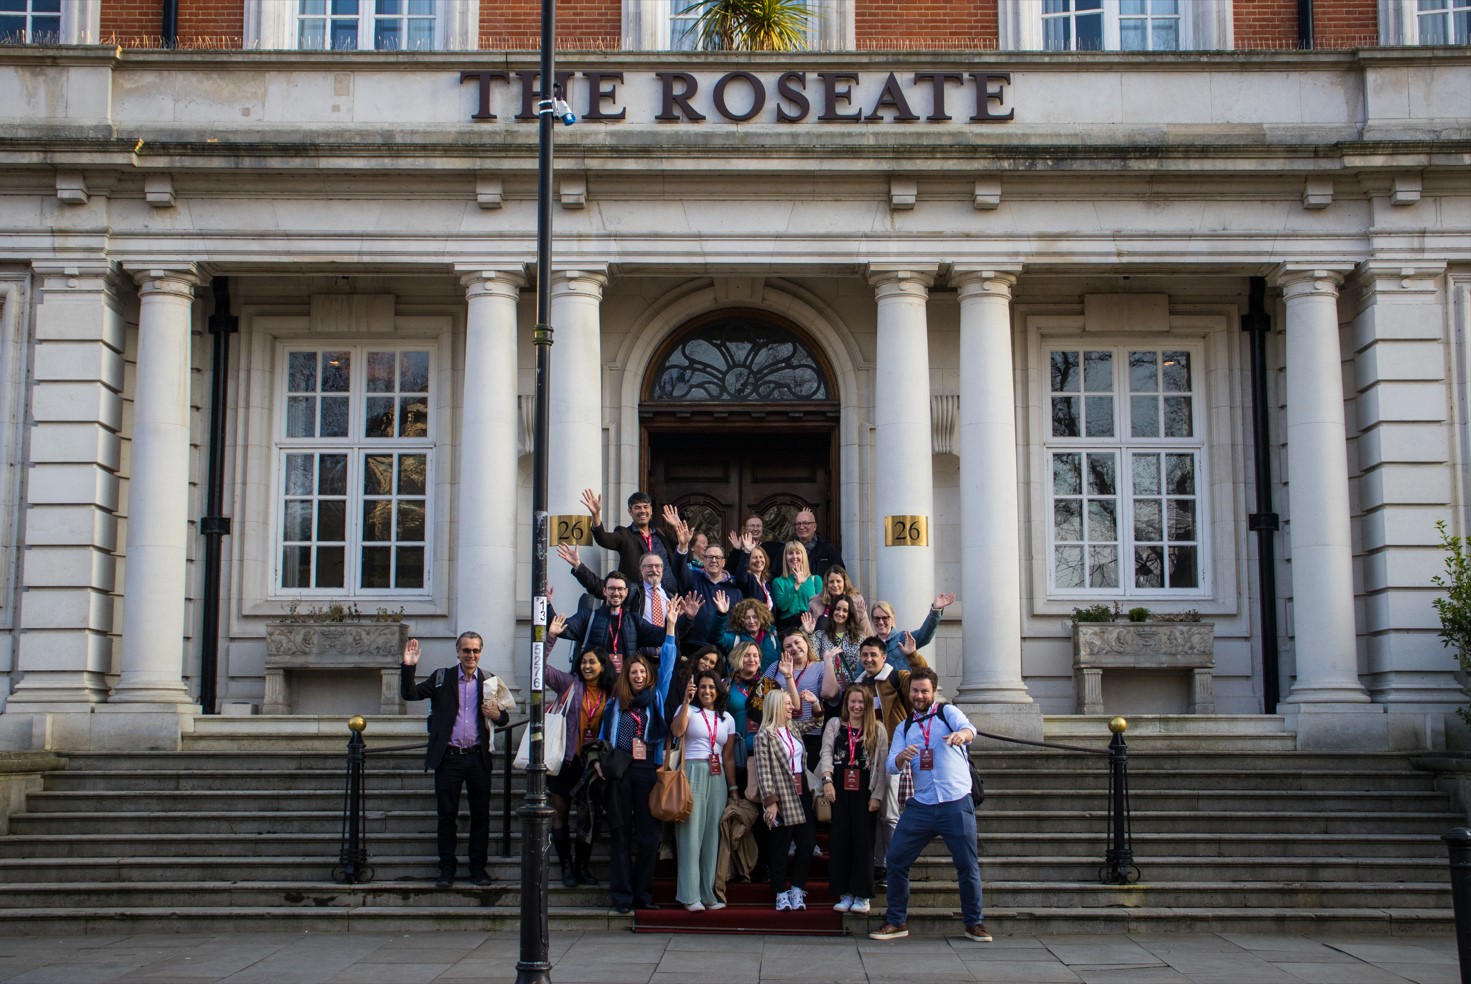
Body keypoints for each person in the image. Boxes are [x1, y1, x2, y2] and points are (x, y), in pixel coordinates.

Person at [869, 667, 990, 943]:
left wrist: (962, 736)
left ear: (933, 691)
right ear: (909, 692)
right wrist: (901, 757)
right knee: (897, 859)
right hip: (921, 805)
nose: (919, 695)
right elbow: (891, 766)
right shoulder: (905, 726)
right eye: (915, 690)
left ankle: (975, 923)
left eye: (924, 691)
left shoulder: (947, 714)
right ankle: (896, 921)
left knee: (966, 864)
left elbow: (970, 728)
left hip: (955, 802)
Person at [587, 595, 682, 913]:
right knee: (619, 835)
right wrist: (600, 763)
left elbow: (668, 663)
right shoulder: (615, 704)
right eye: (633, 672)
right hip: (620, 772)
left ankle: (644, 893)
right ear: (627, 676)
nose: (638, 675)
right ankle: (622, 897)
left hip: (648, 771)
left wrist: (670, 627)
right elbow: (602, 739)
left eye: (642, 672)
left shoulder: (656, 698)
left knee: (648, 838)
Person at [399, 632, 516, 888]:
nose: (470, 655)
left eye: (475, 651)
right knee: (447, 816)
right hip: (449, 757)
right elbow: (410, 694)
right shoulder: (442, 678)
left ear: (481, 653)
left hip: (477, 757)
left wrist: (497, 714)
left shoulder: (489, 681)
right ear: (457, 652)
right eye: (466, 650)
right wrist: (409, 666)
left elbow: (504, 718)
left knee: (481, 816)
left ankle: (478, 868)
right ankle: (447, 868)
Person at [541, 641, 616, 888]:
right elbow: (540, 667)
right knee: (560, 811)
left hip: (593, 763)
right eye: (583, 662)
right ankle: (566, 866)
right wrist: (548, 638)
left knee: (589, 816)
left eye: (592, 662)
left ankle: (582, 866)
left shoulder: (612, 692)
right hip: (566, 759)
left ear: (603, 665)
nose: (586, 666)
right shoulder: (569, 684)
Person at [670, 668, 738, 911]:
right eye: (702, 687)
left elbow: (728, 757)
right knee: (690, 834)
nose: (707, 691)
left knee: (712, 835)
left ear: (718, 690)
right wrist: (686, 703)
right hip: (692, 770)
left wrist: (733, 788)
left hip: (718, 774)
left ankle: (708, 894)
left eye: (711, 687)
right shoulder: (687, 709)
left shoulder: (727, 719)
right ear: (696, 690)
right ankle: (689, 896)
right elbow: (677, 732)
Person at [819, 685, 890, 915]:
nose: (856, 706)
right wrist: (827, 779)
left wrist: (877, 795)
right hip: (838, 788)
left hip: (865, 791)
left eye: (861, 702)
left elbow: (881, 766)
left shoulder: (877, 729)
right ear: (846, 703)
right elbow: (826, 752)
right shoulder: (835, 725)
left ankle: (862, 894)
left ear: (868, 704)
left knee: (863, 842)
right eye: (852, 702)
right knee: (840, 841)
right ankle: (845, 892)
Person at [753, 690, 816, 911]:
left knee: (807, 842)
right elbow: (763, 770)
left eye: (791, 704)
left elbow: (817, 721)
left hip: (802, 792)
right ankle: (780, 891)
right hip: (782, 795)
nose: (792, 707)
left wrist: (815, 703)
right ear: (776, 706)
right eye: (788, 704)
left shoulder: (794, 728)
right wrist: (770, 801)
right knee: (780, 846)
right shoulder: (764, 735)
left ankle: (797, 888)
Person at [547, 568, 668, 671]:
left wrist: (680, 619)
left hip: (624, 688)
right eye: (612, 588)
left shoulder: (634, 621)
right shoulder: (589, 617)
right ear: (605, 591)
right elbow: (559, 627)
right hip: (597, 687)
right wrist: (546, 605)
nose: (616, 593)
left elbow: (662, 636)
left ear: (626, 592)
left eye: (620, 589)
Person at [763, 627, 839, 765]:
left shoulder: (820, 666)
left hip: (811, 732)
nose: (794, 648)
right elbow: (762, 696)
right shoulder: (776, 667)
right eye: (788, 646)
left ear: (806, 642)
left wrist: (828, 661)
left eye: (797, 642)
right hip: (781, 733)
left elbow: (829, 694)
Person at [582, 488, 677, 593]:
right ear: (630, 511)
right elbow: (603, 539)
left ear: (651, 511)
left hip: (668, 597)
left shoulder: (663, 534)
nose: (642, 511)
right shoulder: (624, 534)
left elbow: (688, 557)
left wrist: (677, 527)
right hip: (639, 598)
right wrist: (596, 515)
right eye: (637, 507)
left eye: (646, 507)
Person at [870, 593, 956, 669]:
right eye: (877, 618)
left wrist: (935, 610)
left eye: (885, 618)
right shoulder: (869, 645)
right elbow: (860, 673)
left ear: (892, 619)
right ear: (873, 621)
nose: (881, 622)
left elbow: (924, 635)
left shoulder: (903, 638)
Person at [808, 596, 867, 691]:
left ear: (849, 614)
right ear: (832, 610)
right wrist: (810, 634)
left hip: (851, 690)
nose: (840, 613)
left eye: (845, 610)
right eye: (837, 609)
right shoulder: (820, 635)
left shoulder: (858, 637)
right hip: (828, 688)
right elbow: (814, 659)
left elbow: (861, 664)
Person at [711, 594, 780, 672]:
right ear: (740, 620)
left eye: (755, 617)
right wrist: (721, 615)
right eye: (747, 618)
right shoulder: (735, 639)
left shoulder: (772, 638)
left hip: (769, 683)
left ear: (762, 617)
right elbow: (715, 637)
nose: (751, 621)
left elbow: (779, 664)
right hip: (740, 683)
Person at [770, 540, 820, 632]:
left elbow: (822, 606)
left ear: (803, 556)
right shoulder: (778, 582)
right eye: (790, 553)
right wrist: (796, 584)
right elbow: (782, 606)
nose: (794, 556)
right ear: (785, 557)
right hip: (789, 626)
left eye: (798, 553)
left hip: (811, 624)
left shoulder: (815, 580)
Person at [807, 565, 869, 636]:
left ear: (845, 583)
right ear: (826, 584)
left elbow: (866, 633)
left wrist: (858, 618)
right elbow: (807, 628)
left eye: (838, 581)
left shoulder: (857, 604)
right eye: (831, 582)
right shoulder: (816, 603)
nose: (835, 585)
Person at [792, 508, 844, 577]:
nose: (801, 527)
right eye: (798, 524)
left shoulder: (828, 550)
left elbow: (840, 576)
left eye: (805, 523)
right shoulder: (787, 550)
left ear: (814, 527)